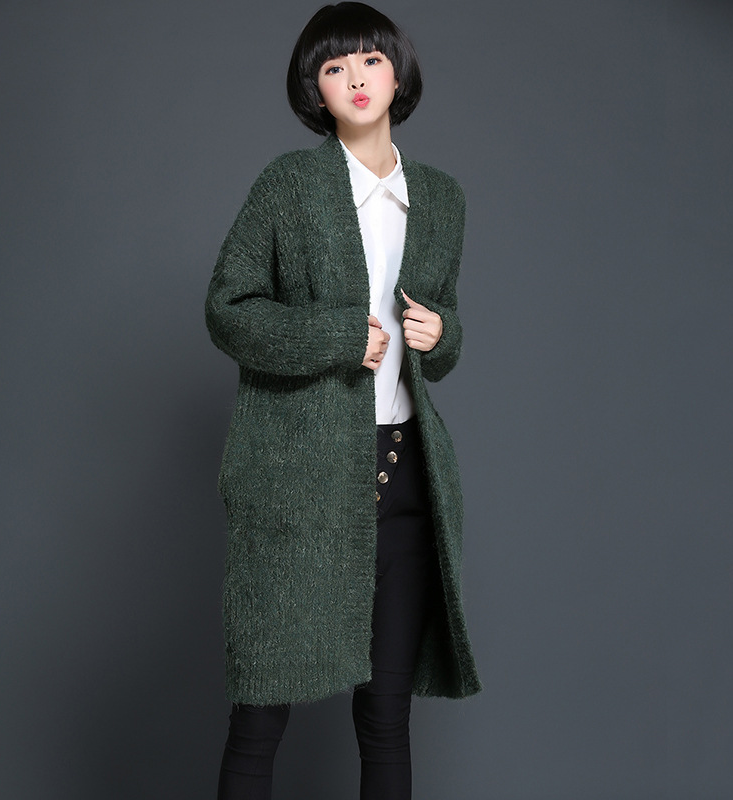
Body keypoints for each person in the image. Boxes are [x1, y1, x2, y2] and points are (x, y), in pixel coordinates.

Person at [205, 3, 482, 798]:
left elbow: (439, 341)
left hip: (405, 478)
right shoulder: (289, 185)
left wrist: (444, 334)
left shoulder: (441, 198)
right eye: (334, 67)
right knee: (260, 713)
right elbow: (227, 310)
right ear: (314, 89)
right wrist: (333, 336)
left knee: (386, 716)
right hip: (299, 481)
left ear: (398, 72)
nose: (355, 77)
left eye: (370, 59)